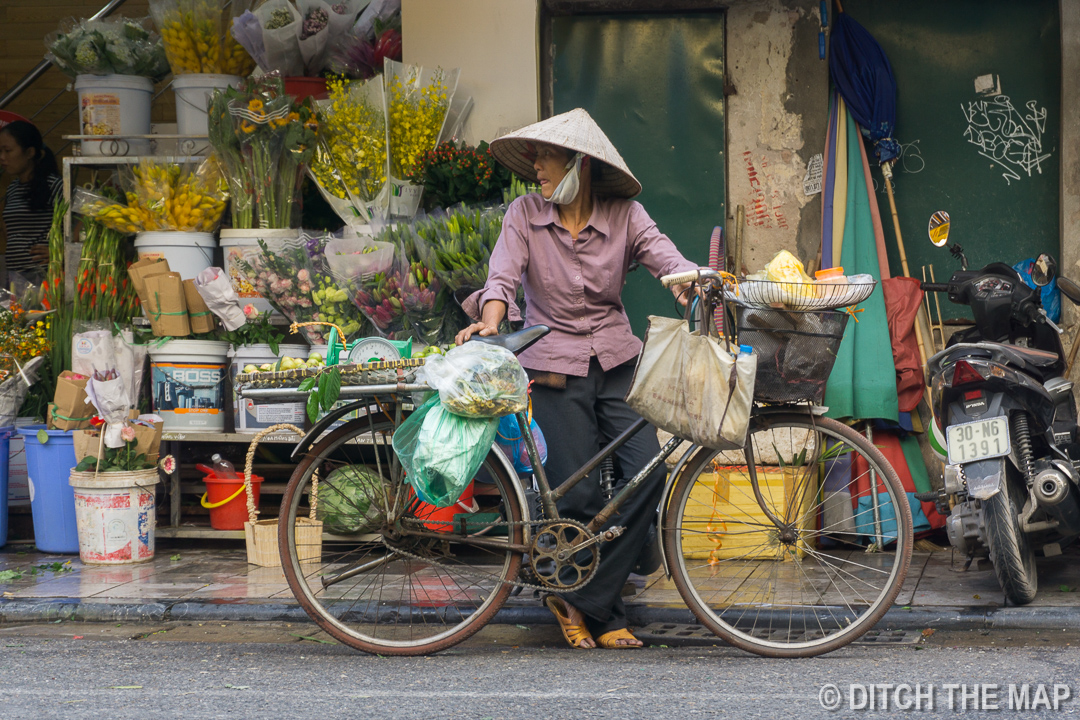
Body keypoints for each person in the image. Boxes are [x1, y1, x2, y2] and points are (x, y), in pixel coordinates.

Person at [457, 108, 703, 649]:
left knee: (647, 476)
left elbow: (667, 259)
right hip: (552, 369)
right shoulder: (524, 214)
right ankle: (603, 610)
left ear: (580, 164)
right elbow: (503, 276)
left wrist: (694, 285)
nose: (536, 167)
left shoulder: (625, 215)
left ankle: (579, 598)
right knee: (581, 495)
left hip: (617, 363)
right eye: (537, 158)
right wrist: (490, 326)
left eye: (547, 157)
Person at [0, 121, 62, 284]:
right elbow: (9, 227)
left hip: (44, 276)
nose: (2, 157)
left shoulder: (53, 184)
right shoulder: (12, 188)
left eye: (8, 151)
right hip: (14, 275)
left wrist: (59, 250)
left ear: (29, 152)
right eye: (0, 151)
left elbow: (83, 220)